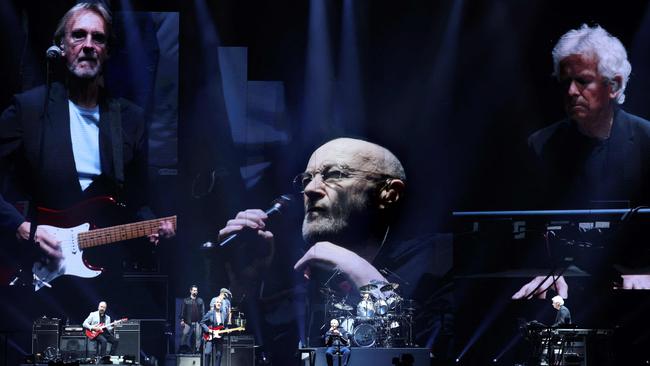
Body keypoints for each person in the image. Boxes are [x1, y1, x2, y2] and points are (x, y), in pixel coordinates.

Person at [217, 138, 453, 356]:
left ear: (389, 194)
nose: (311, 189)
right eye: (307, 179)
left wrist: (359, 271)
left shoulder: (438, 262)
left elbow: (428, 356)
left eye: (335, 175)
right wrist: (242, 288)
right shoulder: (297, 281)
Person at [0, 3, 174, 263]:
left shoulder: (130, 118)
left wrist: (153, 225)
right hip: (38, 266)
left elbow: (139, 200)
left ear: (107, 52)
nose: (89, 45)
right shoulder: (27, 109)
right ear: (61, 46)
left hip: (105, 267)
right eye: (79, 35)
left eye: (99, 38)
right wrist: (19, 226)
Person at [515, 24, 650, 298]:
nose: (572, 92)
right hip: (566, 282)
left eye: (583, 81)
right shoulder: (542, 145)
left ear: (614, 86)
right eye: (565, 83)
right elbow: (525, 229)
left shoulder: (648, 141)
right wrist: (544, 271)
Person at [200, 297, 225, 366]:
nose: (219, 304)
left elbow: (224, 325)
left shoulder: (223, 314)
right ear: (214, 304)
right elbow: (202, 322)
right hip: (210, 336)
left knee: (219, 355)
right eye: (217, 302)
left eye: (220, 303)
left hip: (219, 336)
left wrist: (226, 330)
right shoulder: (210, 313)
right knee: (207, 353)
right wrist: (208, 330)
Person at [179, 285, 204, 353]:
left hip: (198, 322)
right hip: (188, 321)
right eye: (194, 290)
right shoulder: (186, 300)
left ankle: (197, 349)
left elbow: (202, 311)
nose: (195, 292)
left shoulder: (200, 300)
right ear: (190, 291)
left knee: (198, 336)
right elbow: (182, 311)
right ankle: (182, 348)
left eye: (196, 290)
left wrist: (202, 321)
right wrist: (182, 320)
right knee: (185, 334)